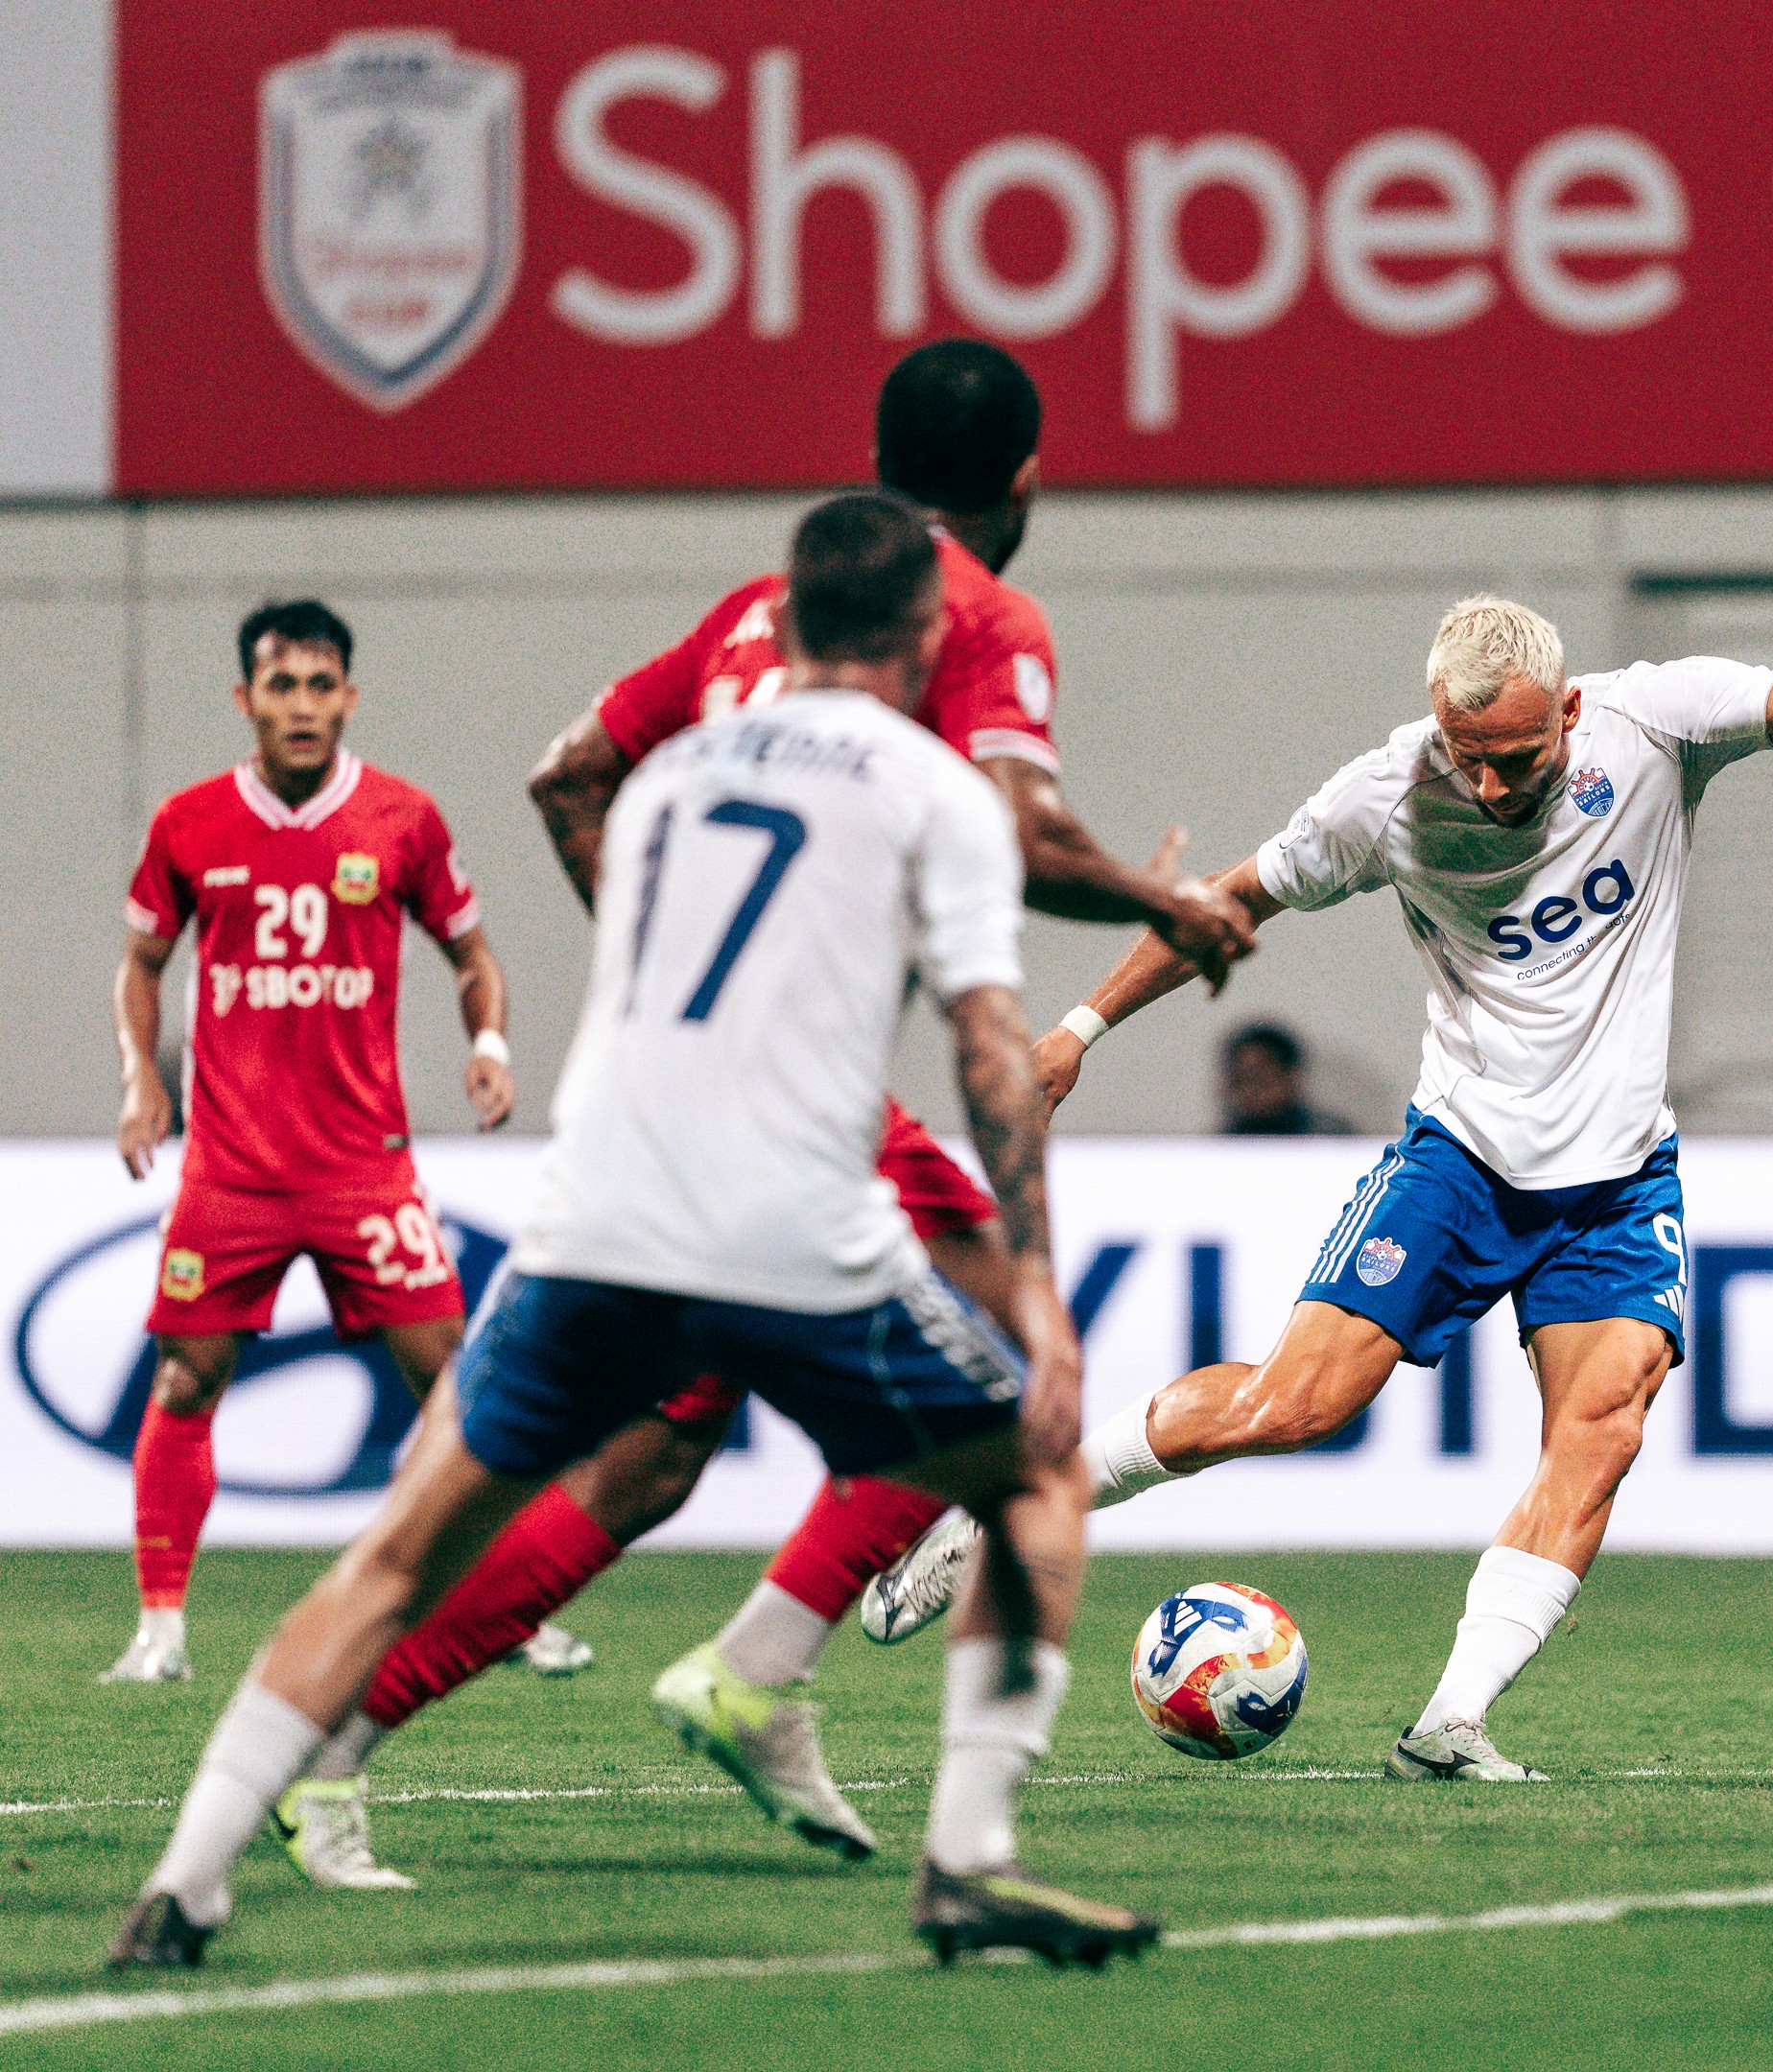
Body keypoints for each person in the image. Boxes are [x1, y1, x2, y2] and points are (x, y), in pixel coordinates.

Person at [108, 494, 1157, 1972]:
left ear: (777, 627)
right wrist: (1035, 1288)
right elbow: (992, 1048)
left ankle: (185, 1880)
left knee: (405, 1548)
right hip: (792, 1216)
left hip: (597, 1210)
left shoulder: (662, 785)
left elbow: (576, 811)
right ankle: (967, 1858)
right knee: (1038, 1474)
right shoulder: (936, 792)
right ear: (929, 638)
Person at [271, 341, 1256, 1888]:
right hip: (796, 1112)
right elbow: (1013, 826)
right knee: (1000, 1390)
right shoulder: (977, 614)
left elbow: (564, 777)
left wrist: (669, 972)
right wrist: (1164, 906)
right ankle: (776, 1682)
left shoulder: (754, 607)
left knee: (652, 1463)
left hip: (682, 1103)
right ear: (1027, 482)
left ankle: (334, 1746)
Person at [933, 559, 1773, 1784]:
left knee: (1600, 1436)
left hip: (1617, 1181)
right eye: (1472, 756)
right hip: (1460, 1159)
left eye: (1519, 756)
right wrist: (1078, 1032)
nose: (1494, 784)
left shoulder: (1658, 721)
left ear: (1570, 713)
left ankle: (1450, 1723)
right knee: (1289, 1409)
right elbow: (1231, 900)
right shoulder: (1387, 796)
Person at [105, 600, 536, 1686]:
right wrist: (138, 1084)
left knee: (455, 1380)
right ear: (245, 699)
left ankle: (500, 1607)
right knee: (187, 1380)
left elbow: (471, 951)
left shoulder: (402, 819)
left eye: (320, 683)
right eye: (280, 685)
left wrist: (486, 1040)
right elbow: (144, 963)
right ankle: (159, 1632)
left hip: (362, 1164)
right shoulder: (191, 823)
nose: (302, 705)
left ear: (349, 695)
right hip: (233, 1169)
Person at [1218, 1022, 1348, 1135]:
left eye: (1261, 1080)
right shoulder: (1217, 1149)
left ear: (1291, 1076)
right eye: (1240, 1081)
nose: (1250, 1091)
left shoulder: (1334, 1140)